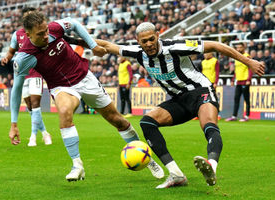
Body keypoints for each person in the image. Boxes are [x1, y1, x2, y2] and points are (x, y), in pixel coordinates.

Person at [93, 22, 264, 188]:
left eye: (152, 39)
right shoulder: (137, 53)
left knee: (209, 125)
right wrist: (73, 39)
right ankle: (176, 174)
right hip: (178, 100)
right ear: (138, 41)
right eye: (144, 41)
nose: (149, 44)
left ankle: (211, 166)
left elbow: (216, 45)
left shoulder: (176, 47)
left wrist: (248, 61)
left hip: (199, 91)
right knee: (147, 122)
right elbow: (107, 45)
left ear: (158, 35)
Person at [9, 12, 164, 182]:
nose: (46, 35)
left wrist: (92, 44)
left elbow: (74, 24)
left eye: (46, 30)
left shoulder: (54, 28)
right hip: (62, 87)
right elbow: (16, 89)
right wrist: (14, 123)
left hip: (85, 77)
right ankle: (77, 165)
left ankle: (146, 159)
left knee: (117, 120)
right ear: (28, 34)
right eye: (40, 34)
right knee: (65, 111)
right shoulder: (24, 57)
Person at [1, 7, 52, 146]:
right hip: (23, 74)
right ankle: (45, 133)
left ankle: (33, 136)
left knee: (35, 104)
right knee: (29, 106)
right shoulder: (17, 35)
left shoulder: (41, 33)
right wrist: (6, 58)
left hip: (36, 73)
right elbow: (11, 51)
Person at [226, 43, 252, 122]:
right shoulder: (237, 58)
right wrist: (233, 80)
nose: (238, 49)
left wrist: (248, 79)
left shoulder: (247, 56)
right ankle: (234, 116)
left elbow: (250, 69)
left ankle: (247, 116)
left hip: (245, 80)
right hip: (238, 81)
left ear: (244, 48)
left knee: (246, 99)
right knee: (236, 98)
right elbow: (236, 71)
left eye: (240, 47)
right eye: (237, 48)